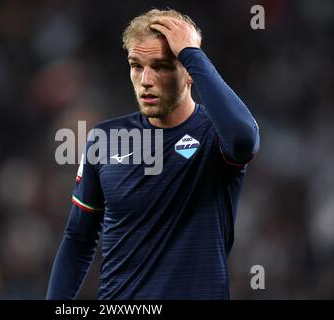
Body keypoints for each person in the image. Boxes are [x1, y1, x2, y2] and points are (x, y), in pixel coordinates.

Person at [46, 8, 260, 299]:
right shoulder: (105, 139)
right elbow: (78, 239)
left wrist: (191, 52)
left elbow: (244, 138)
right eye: (136, 65)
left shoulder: (214, 135)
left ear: (189, 72)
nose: (145, 79)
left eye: (160, 66)